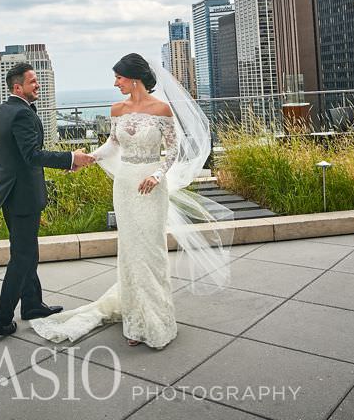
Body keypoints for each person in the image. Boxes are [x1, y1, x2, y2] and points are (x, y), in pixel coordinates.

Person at [29, 53, 231, 349]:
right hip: (125, 185)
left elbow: (173, 152)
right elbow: (112, 144)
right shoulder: (117, 109)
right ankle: (136, 321)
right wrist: (86, 159)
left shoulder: (162, 109)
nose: (115, 83)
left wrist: (158, 176)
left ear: (134, 78)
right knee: (130, 252)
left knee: (151, 251)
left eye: (119, 78)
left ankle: (157, 317)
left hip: (150, 186)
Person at [0, 62, 95, 336]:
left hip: (10, 194)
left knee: (27, 252)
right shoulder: (22, 114)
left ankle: (32, 305)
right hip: (23, 197)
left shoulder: (3, 111)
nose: (38, 85)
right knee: (22, 257)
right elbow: (32, 155)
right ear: (18, 87)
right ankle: (2, 320)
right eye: (33, 81)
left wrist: (2, 185)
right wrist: (72, 158)